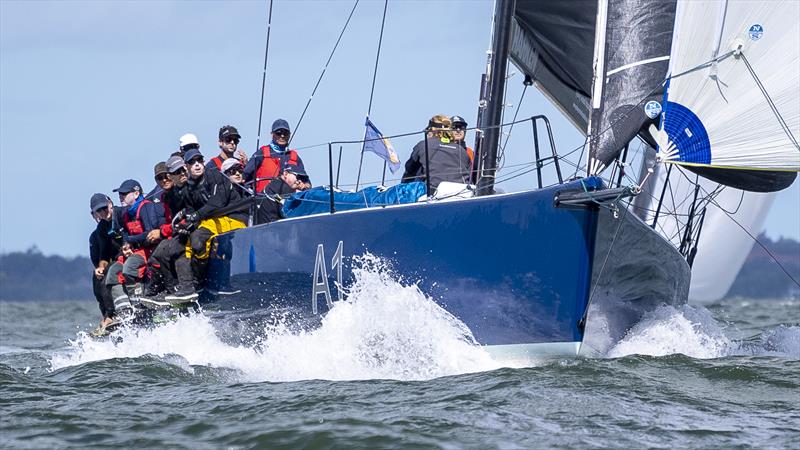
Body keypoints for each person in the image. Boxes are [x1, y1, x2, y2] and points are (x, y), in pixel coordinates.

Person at [166, 148, 249, 301]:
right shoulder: (189, 186)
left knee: (198, 238)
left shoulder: (214, 175)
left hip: (234, 217)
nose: (197, 165)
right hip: (212, 220)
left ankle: (201, 282)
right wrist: (187, 226)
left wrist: (196, 217)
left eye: (200, 161)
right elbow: (191, 210)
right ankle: (188, 286)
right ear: (187, 166)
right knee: (182, 242)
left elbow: (217, 202)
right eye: (192, 162)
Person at [104, 179, 164, 314]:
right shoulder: (126, 213)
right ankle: (124, 312)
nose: (121, 197)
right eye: (120, 194)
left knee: (129, 267)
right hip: (135, 250)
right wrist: (126, 245)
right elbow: (125, 233)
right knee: (113, 272)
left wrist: (130, 240)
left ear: (136, 194)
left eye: (124, 194)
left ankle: (140, 307)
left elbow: (150, 233)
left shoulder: (146, 207)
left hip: (149, 251)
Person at [401, 115, 472, 190]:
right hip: (463, 193)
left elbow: (409, 171)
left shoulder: (423, 145)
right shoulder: (461, 150)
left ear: (432, 130)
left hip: (434, 193)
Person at [243, 119, 309, 193]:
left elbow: (307, 182)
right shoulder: (261, 153)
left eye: (285, 133)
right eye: (278, 133)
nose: (282, 136)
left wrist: (304, 186)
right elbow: (245, 176)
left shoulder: (294, 157)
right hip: (263, 200)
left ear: (290, 135)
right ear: (272, 134)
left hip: (288, 201)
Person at [89, 193, 122, 331]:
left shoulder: (121, 215)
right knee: (98, 276)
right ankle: (107, 315)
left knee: (109, 272)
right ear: (94, 214)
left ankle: (112, 314)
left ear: (110, 205)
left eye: (104, 208)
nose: (103, 212)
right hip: (114, 260)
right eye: (99, 210)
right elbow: (104, 254)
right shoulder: (101, 229)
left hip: (129, 254)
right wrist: (100, 268)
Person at [450, 115, 476, 181]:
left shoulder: (470, 152)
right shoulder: (443, 150)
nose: (458, 130)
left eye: (461, 127)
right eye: (454, 127)